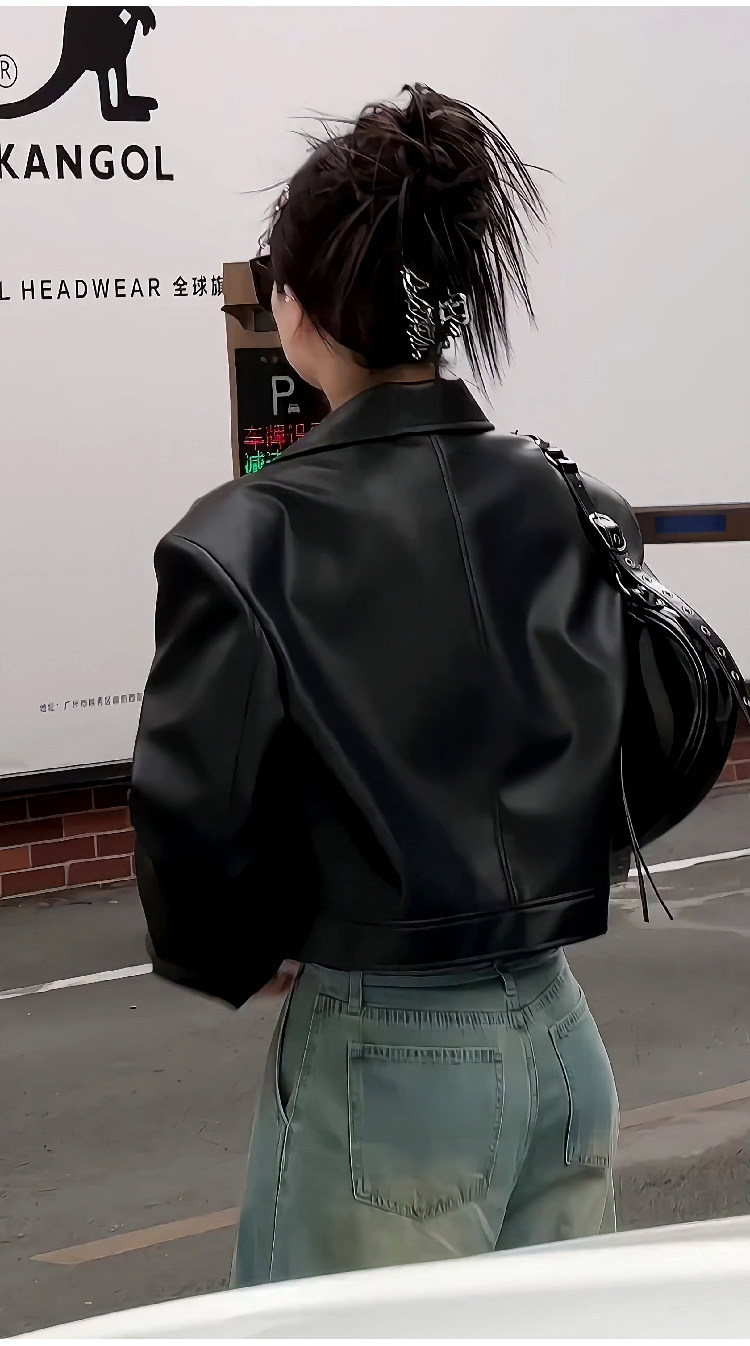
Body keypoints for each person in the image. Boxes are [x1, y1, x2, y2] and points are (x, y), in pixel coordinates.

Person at [130, 83, 636, 1288]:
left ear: (298, 310)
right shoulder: (570, 498)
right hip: (563, 1030)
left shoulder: (245, 538)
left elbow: (194, 829)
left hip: (387, 1059)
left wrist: (260, 944)